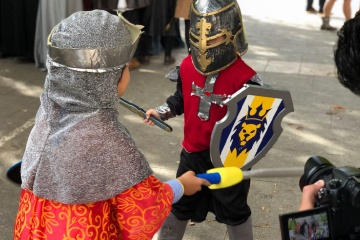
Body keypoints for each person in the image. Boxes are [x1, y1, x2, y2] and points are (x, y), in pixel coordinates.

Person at [13, 10, 210, 239]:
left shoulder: (48, 112)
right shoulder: (106, 137)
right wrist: (181, 186)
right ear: (108, 78)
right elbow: (143, 208)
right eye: (125, 67)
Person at [143, 0, 263, 239]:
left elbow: (255, 122)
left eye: (215, 37)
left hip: (229, 159)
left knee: (235, 210)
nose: (205, 43)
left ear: (231, 34)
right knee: (179, 204)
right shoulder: (188, 66)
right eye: (199, 35)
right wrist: (162, 111)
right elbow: (180, 98)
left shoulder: (245, 79)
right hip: (193, 153)